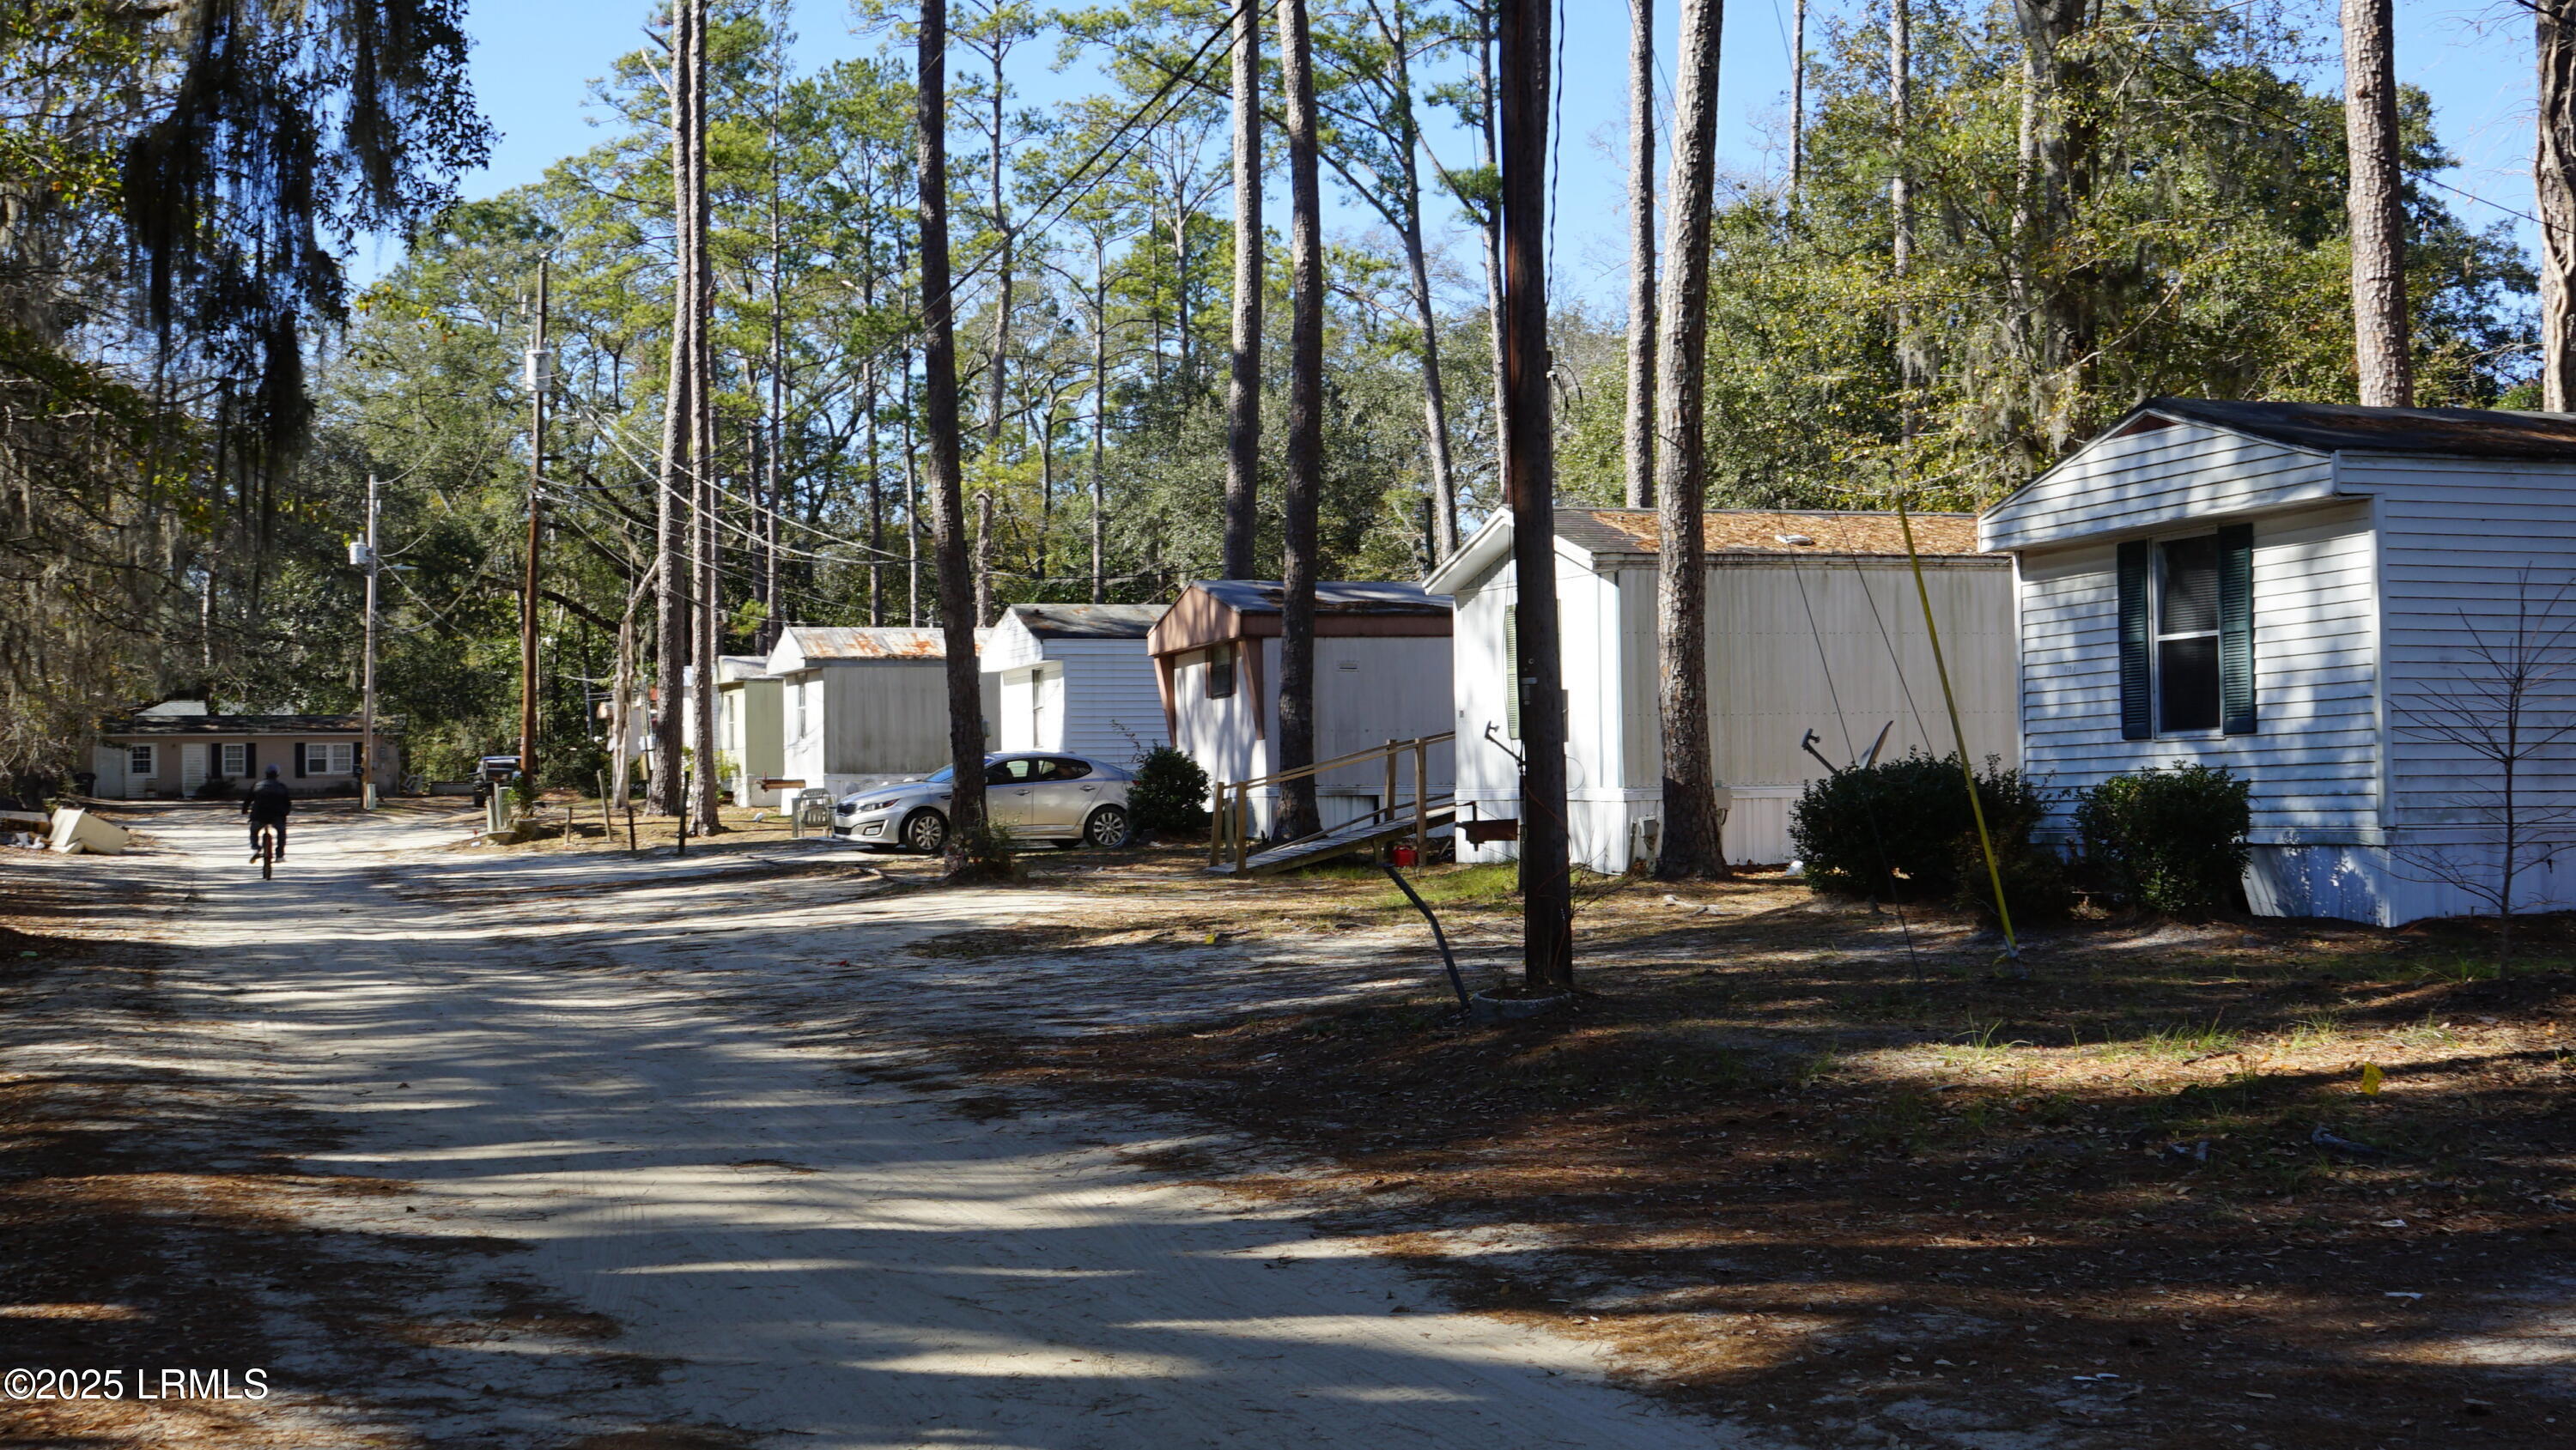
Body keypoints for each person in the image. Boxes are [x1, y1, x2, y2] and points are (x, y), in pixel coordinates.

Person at [242, 764, 292, 862]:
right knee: (281, 832)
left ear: (266, 773)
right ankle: (280, 855)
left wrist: (244, 810)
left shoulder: (257, 785)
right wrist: (285, 814)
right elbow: (288, 803)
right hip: (277, 816)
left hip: (259, 815)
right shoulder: (282, 787)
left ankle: (256, 848)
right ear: (277, 774)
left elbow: (248, 800)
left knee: (254, 830)